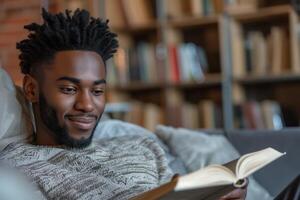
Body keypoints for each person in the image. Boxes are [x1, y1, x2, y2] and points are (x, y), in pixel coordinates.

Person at [0, 8, 248, 200]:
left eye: (97, 90)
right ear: (32, 89)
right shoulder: (15, 169)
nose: (87, 105)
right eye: (69, 89)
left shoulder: (142, 145)